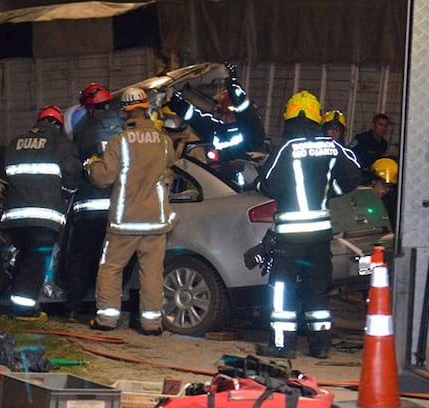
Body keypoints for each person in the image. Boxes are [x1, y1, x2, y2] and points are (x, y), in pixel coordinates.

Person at [256, 90, 361, 359]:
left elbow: (266, 183)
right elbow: (354, 174)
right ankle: (321, 345)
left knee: (283, 289)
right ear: (316, 116)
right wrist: (328, 190)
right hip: (319, 236)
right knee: (317, 289)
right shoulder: (331, 146)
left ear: (290, 116)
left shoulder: (286, 148)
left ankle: (282, 344)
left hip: (291, 238)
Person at [86, 87, 177, 335]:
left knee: (111, 268)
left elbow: (104, 177)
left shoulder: (120, 142)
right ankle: (151, 324)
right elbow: (169, 166)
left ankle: (106, 320)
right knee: (152, 273)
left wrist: (91, 166)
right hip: (155, 222)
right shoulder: (164, 142)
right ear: (146, 109)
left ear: (125, 113)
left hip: (125, 222)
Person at [0, 105, 81, 315]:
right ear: (58, 124)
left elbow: (5, 174)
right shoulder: (61, 144)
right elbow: (71, 174)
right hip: (44, 218)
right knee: (35, 263)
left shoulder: (15, 142)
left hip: (14, 218)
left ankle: (14, 301)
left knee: (24, 258)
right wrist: (67, 191)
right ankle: (23, 310)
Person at [63, 83, 124, 320]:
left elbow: (74, 165)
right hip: (118, 205)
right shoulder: (122, 126)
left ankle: (74, 305)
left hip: (88, 207)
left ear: (89, 107)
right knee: (111, 260)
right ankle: (109, 305)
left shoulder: (83, 129)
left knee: (81, 255)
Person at [167, 63, 266, 161]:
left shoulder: (252, 131)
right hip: (217, 173)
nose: (224, 118)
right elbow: (195, 118)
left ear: (237, 114)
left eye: (228, 115)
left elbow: (243, 107)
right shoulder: (217, 130)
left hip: (244, 172)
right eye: (222, 114)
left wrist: (232, 82)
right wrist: (173, 101)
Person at [368, 157, 399, 228]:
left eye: (390, 186)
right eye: (385, 185)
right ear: (373, 181)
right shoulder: (356, 197)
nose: (387, 189)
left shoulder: (389, 204)